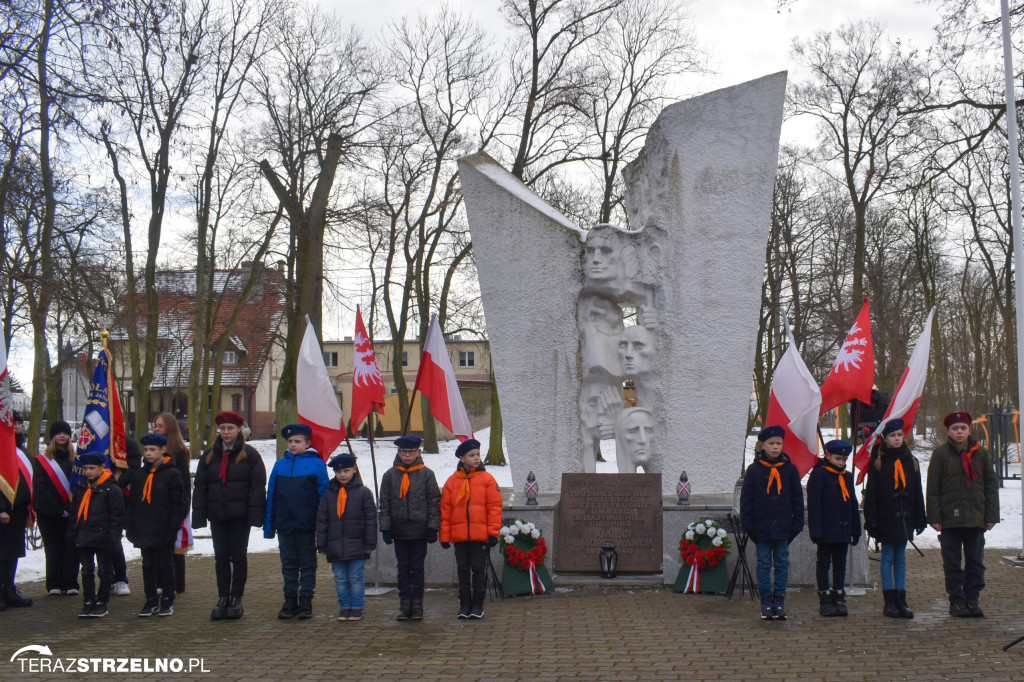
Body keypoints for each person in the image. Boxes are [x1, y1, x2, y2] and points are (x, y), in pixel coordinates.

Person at [192, 410, 266, 620]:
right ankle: (223, 596)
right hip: (218, 515)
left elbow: (257, 487)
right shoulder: (209, 456)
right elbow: (200, 487)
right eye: (223, 428)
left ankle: (236, 598)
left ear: (239, 430)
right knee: (221, 558)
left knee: (239, 557)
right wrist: (199, 516)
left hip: (240, 516)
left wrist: (254, 515)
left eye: (230, 428)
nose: (226, 432)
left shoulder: (250, 455)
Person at [927, 411, 999, 618]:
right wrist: (935, 518)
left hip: (976, 516)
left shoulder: (981, 453)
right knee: (952, 562)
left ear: (970, 430)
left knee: (975, 561)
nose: (959, 432)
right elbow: (933, 488)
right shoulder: (940, 454)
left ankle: (972, 598)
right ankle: (956, 600)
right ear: (948, 432)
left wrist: (991, 514)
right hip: (950, 519)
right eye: (955, 428)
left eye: (963, 428)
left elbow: (990, 485)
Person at [863, 418, 926, 619]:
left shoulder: (911, 460)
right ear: (885, 438)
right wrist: (871, 520)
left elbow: (917, 491)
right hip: (886, 518)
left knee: (901, 559)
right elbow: (871, 494)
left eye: (899, 435)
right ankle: (889, 600)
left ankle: (901, 599)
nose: (897, 439)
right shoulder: (879, 462)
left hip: (905, 517)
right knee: (887, 557)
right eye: (893, 436)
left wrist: (920, 517)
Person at [265, 423, 329, 620]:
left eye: (297, 441)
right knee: (288, 564)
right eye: (290, 441)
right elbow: (272, 496)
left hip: (306, 524)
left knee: (307, 563)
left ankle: (306, 599)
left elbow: (323, 496)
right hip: (284, 524)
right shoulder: (279, 465)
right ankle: (290, 598)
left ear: (307, 443)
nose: (293, 445)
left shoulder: (317, 465)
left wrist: (322, 526)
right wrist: (269, 526)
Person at [740, 425, 804, 621]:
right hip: (761, 528)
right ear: (763, 445)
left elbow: (797, 500)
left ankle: (780, 600)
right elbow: (746, 500)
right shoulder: (754, 470)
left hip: (784, 528)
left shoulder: (790, 470)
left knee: (782, 564)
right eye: (771, 444)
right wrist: (750, 527)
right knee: (764, 564)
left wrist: (796, 525)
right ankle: (766, 600)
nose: (775, 447)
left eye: (778, 443)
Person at [378, 435, 441, 621]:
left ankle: (417, 604)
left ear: (418, 452)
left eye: (411, 452)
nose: (407, 455)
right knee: (403, 568)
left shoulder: (427, 474)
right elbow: (385, 503)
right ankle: (404, 603)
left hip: (420, 530)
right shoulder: (390, 475)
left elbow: (433, 502)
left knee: (417, 567)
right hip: (399, 530)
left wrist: (432, 527)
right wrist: (386, 528)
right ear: (398, 452)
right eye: (404, 451)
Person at [124, 433, 186, 617]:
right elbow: (133, 502)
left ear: (163, 450)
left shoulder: (172, 474)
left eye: (153, 450)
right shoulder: (139, 475)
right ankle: (150, 599)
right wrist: (131, 525)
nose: (148, 454)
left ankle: (167, 599)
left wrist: (173, 526)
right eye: (146, 450)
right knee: (148, 564)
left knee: (165, 563)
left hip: (163, 527)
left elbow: (178, 504)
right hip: (144, 527)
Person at [439, 439, 502, 619]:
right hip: (460, 537)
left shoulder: (487, 480)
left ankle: (477, 605)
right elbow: (446, 510)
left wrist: (493, 533)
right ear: (462, 458)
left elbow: (495, 508)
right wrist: (444, 535)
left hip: (480, 536)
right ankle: (464, 604)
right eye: (471, 456)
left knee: (478, 570)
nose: (476, 458)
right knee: (463, 570)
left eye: (478, 455)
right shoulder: (452, 482)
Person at [316, 453, 376, 622]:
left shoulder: (364, 493)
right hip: (335, 545)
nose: (342, 475)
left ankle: (357, 607)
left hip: (358, 544)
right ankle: (344, 607)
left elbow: (371, 520)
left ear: (354, 470)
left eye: (346, 470)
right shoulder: (329, 494)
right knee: (340, 577)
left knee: (355, 577)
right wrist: (321, 544)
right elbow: (323, 520)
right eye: (338, 471)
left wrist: (370, 542)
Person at [807, 439, 861, 617]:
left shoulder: (846, 476)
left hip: (843, 530)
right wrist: (816, 531)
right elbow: (815, 506)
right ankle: (824, 598)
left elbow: (852, 504)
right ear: (828, 455)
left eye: (844, 460)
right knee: (823, 564)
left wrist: (855, 529)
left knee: (840, 564)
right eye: (838, 459)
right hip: (826, 530)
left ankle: (839, 596)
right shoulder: (819, 475)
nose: (841, 463)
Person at [66, 453, 125, 618]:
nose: (88, 472)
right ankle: (88, 600)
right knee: (86, 570)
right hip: (84, 535)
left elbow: (116, 516)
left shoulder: (111, 489)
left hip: (103, 537)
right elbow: (74, 512)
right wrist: (72, 533)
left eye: (92, 468)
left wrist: (114, 537)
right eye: (85, 468)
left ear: (101, 468)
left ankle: (102, 601)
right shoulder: (81, 488)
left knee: (105, 570)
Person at [32, 420, 80, 595]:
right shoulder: (41, 461)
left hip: (72, 512)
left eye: (65, 433)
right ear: (52, 437)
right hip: (50, 514)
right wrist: (57, 509)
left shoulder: (76, 461)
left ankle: (71, 583)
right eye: (59, 433)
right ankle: (54, 583)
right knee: (53, 549)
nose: (62, 436)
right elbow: (40, 488)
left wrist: (71, 508)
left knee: (71, 548)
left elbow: (78, 486)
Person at [154, 413, 192, 594]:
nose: (157, 429)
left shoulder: (178, 453)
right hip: (158, 506)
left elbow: (185, 484)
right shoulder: (154, 451)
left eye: (160, 426)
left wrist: (183, 508)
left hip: (175, 505)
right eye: (156, 426)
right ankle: (161, 581)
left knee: (176, 546)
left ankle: (177, 583)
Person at [0, 437, 34, 611]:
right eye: (15, 423)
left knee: (12, 554)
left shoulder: (22, 451)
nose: (17, 427)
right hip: (4, 512)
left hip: (18, 511)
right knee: (2, 555)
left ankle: (9, 590)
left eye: (20, 423)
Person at [110, 437, 142, 596]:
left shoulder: (127, 442)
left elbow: (135, 465)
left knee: (115, 541)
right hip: (102, 499)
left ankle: (120, 578)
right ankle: (107, 578)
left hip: (125, 498)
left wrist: (115, 483)